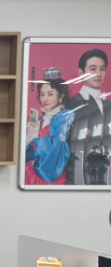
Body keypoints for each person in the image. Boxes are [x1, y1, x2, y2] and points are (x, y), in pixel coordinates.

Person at [66, 49, 111, 184]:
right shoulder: (72, 104)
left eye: (102, 69)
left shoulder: (108, 104)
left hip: (105, 171)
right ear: (81, 73)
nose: (98, 74)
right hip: (80, 170)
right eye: (93, 69)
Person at [25, 78, 73, 185]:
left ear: (61, 96)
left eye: (50, 94)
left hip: (48, 176)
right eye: (42, 94)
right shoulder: (40, 120)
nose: (45, 99)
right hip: (30, 175)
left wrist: (35, 138)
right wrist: (27, 137)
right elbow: (26, 155)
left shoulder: (64, 117)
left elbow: (54, 154)